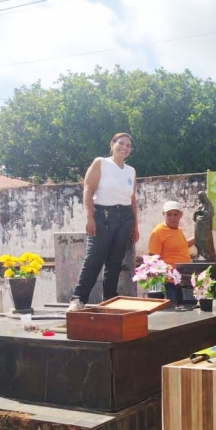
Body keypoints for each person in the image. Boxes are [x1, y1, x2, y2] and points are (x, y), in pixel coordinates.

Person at [68, 133, 138, 311]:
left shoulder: (131, 171)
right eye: (121, 143)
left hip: (125, 217)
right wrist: (89, 217)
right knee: (94, 259)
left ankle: (109, 299)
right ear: (112, 144)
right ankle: (78, 299)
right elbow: (88, 190)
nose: (124, 147)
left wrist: (135, 225)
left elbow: (132, 199)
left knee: (115, 262)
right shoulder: (101, 163)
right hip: (102, 215)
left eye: (128, 145)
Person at [148, 200, 194, 304]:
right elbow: (152, 257)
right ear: (163, 214)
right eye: (169, 214)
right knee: (171, 314)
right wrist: (157, 286)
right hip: (168, 282)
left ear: (180, 215)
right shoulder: (158, 231)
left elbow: (183, 246)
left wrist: (198, 236)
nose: (172, 217)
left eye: (175, 214)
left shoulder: (178, 231)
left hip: (183, 280)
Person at [193, 190, 216, 261]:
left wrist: (200, 212)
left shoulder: (208, 205)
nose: (199, 198)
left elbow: (209, 214)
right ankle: (200, 254)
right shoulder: (200, 205)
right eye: (199, 197)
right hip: (198, 226)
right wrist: (196, 213)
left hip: (205, 227)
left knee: (204, 240)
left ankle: (207, 255)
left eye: (201, 196)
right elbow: (195, 215)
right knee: (198, 240)